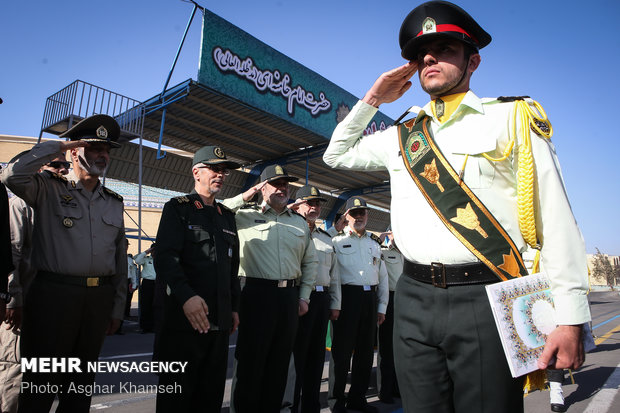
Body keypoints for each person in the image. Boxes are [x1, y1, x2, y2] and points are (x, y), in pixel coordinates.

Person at [323, 2, 590, 412]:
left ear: (473, 60)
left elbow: (554, 218)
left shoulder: (511, 119)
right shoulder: (402, 135)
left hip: (484, 298)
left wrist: (571, 318)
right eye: (419, 54)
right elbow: (336, 155)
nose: (428, 57)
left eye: (444, 47)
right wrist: (374, 97)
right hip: (411, 299)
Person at [1, 114, 128, 413]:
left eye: (106, 150)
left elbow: (119, 258)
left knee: (79, 390)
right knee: (40, 388)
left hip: (97, 300)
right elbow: (10, 176)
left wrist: (118, 306)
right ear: (73, 152)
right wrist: (56, 147)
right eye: (94, 148)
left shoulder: (114, 201)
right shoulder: (48, 188)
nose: (102, 155)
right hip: (52, 299)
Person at [222, 164, 318, 413]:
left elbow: (310, 262)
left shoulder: (299, 223)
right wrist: (246, 194)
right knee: (250, 362)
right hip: (255, 294)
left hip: (288, 296)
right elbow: (218, 210)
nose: (283, 188)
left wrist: (304, 297)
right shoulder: (243, 215)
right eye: (276, 184)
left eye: (286, 184)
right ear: (262, 188)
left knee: (279, 363)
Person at [153, 145, 241, 412]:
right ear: (196, 172)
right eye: (214, 169)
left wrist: (234, 308)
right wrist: (186, 296)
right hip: (184, 323)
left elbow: (231, 268)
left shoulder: (227, 216)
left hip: (218, 324)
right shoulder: (178, 209)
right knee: (177, 397)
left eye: (223, 171)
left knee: (210, 396)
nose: (220, 175)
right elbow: (165, 258)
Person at [0, 155, 70, 413]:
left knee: (43, 379)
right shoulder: (20, 204)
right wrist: (14, 298)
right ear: (39, 169)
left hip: (51, 305)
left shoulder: (61, 205)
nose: (62, 170)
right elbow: (13, 253)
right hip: (23, 304)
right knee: (15, 371)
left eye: (65, 166)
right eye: (55, 165)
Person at [282, 185, 341, 413]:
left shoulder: (326, 239)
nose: (315, 207)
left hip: (321, 300)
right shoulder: (288, 230)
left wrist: (335, 303)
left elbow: (333, 274)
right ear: (297, 205)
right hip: (295, 298)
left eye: (317, 204)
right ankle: (289, 406)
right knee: (294, 359)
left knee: (316, 358)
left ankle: (311, 406)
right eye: (310, 203)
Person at [329, 196, 388, 413]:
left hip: (369, 300)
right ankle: (336, 402)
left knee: (364, 354)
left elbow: (383, 278)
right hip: (347, 298)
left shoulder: (374, 244)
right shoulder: (335, 241)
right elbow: (332, 275)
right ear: (347, 216)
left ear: (367, 215)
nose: (359, 216)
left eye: (362, 212)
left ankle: (358, 399)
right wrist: (335, 303)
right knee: (341, 354)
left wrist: (381, 307)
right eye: (354, 213)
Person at [376, 231, 403, 404]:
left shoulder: (409, 257)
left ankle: (397, 387)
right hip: (390, 300)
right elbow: (371, 249)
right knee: (386, 348)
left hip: (407, 300)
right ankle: (384, 390)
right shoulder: (385, 252)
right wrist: (383, 236)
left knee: (402, 348)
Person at [135, 243, 156, 333]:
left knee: (156, 305)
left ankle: (154, 326)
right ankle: (145, 327)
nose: (155, 252)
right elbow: (137, 261)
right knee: (146, 305)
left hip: (158, 283)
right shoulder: (147, 259)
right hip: (148, 283)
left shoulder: (161, 259)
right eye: (153, 250)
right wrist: (146, 252)